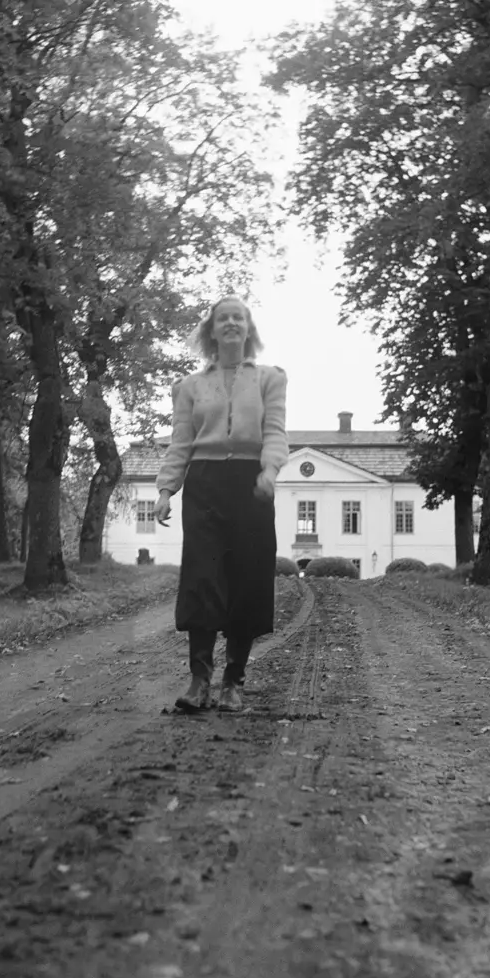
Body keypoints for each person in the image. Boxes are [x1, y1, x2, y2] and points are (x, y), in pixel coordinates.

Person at [153, 296, 288, 714]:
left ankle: (233, 682)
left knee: (247, 579)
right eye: (223, 318)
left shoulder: (269, 379)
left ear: (248, 328)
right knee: (202, 578)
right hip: (205, 484)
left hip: (251, 485)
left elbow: (275, 432)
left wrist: (270, 472)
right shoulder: (189, 386)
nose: (231, 323)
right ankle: (199, 681)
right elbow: (181, 442)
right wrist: (166, 490)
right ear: (211, 330)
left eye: (238, 317)